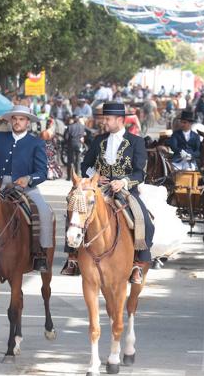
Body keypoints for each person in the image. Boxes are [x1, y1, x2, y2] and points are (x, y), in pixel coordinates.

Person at [61, 102, 155, 284]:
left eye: (107, 119)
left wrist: (124, 181)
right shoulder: (98, 140)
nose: (104, 122)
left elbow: (140, 172)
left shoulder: (136, 142)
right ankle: (72, 258)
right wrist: (95, 178)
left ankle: (138, 263)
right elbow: (85, 164)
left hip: (125, 189)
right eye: (104, 118)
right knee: (75, 208)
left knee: (144, 220)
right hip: (99, 188)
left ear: (120, 120)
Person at [0, 105, 54, 272]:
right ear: (10, 120)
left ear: (28, 122)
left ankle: (40, 253)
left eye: (21, 119)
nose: (17, 122)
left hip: (26, 187)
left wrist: (28, 179)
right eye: (15, 118)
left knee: (44, 211)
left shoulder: (36, 143)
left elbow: (42, 172)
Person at [64, 115, 85, 180]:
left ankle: (69, 177)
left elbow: (66, 137)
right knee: (78, 161)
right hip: (78, 144)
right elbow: (83, 135)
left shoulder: (70, 127)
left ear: (73, 120)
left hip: (71, 144)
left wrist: (67, 142)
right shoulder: (82, 127)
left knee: (70, 161)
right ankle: (77, 176)